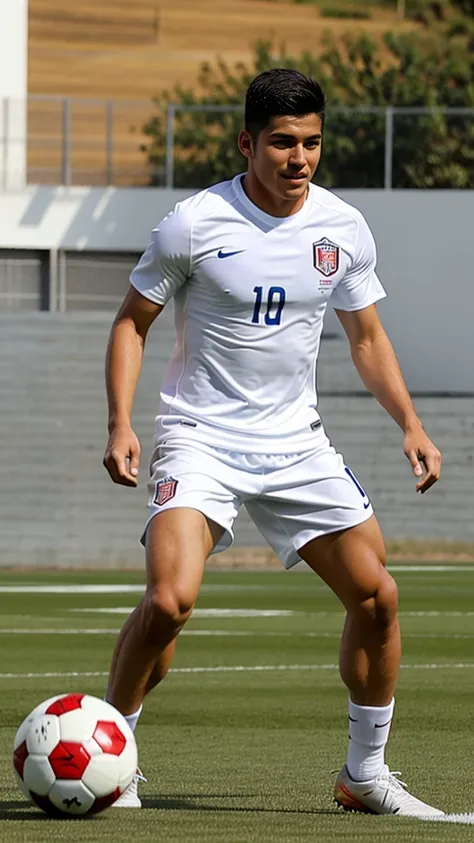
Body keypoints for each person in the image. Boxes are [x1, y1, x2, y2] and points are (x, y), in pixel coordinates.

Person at [103, 68, 443, 816]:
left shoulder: (343, 227)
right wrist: (122, 422)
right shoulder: (192, 223)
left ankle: (364, 773)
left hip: (296, 445)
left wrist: (411, 424)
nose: (300, 159)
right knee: (168, 600)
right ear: (247, 142)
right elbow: (131, 322)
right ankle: (112, 758)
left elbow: (368, 337)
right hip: (200, 437)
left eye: (313, 143)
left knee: (378, 596)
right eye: (284, 143)